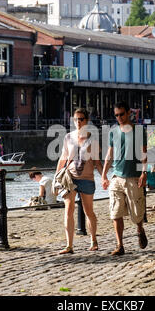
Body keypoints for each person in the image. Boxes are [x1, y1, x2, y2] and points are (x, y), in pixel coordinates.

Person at [101, 102, 148, 256]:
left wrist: (143, 173)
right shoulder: (113, 132)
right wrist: (103, 174)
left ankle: (140, 229)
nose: (119, 118)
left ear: (129, 113)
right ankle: (120, 245)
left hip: (134, 177)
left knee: (137, 213)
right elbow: (110, 154)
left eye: (121, 114)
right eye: (116, 115)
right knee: (116, 212)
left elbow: (145, 153)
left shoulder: (140, 131)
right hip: (116, 177)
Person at [55, 108, 103, 254]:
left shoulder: (92, 140)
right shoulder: (68, 137)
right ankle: (69, 245)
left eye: (81, 119)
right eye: (76, 119)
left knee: (89, 211)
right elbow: (63, 158)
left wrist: (105, 177)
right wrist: (55, 178)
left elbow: (97, 163)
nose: (78, 122)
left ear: (87, 121)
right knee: (69, 209)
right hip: (70, 178)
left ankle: (93, 240)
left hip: (87, 179)